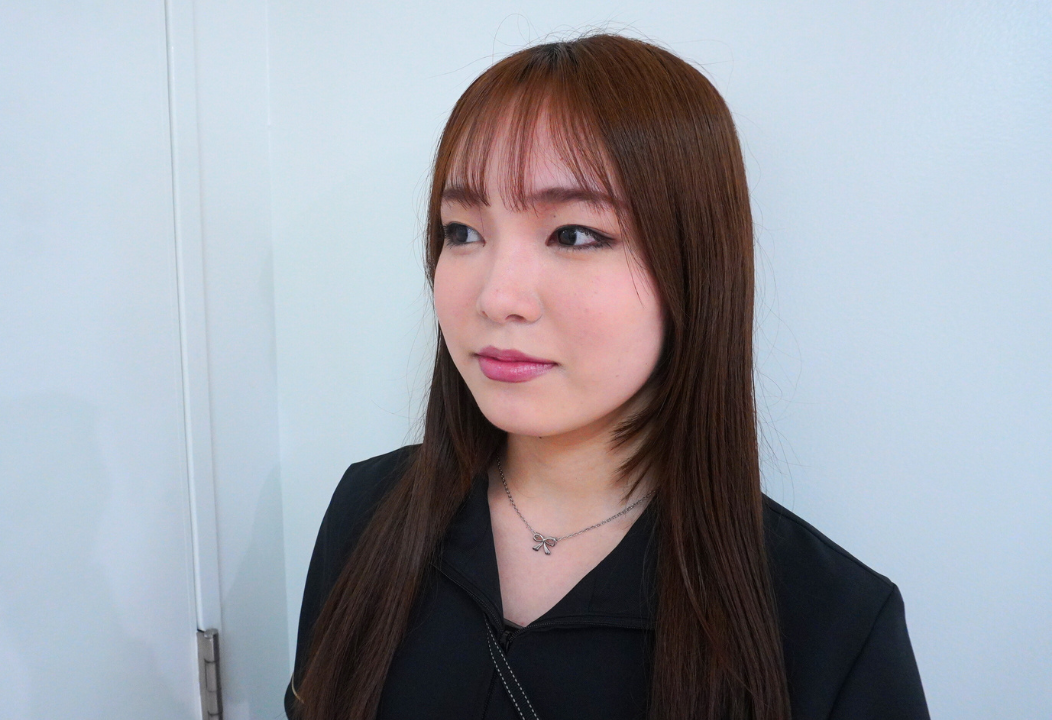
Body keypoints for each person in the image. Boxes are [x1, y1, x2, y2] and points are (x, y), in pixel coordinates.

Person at [285, 33, 930, 720]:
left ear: (693, 265)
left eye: (573, 234)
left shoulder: (831, 625)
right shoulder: (369, 512)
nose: (498, 297)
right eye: (463, 232)